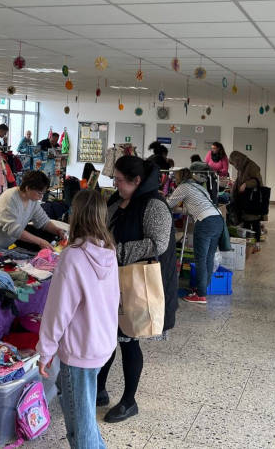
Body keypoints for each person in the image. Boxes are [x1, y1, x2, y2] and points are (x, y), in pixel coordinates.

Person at [97, 156, 176, 424]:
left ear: (136, 180)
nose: (115, 184)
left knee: (129, 341)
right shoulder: (117, 200)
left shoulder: (154, 205)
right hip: (112, 280)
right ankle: (99, 389)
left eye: (120, 180)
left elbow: (158, 244)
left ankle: (129, 402)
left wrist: (116, 252)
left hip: (136, 282)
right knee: (108, 337)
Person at [38, 190, 118, 449]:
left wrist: (45, 350)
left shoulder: (73, 256)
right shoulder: (108, 250)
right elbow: (113, 299)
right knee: (80, 412)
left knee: (81, 426)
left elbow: (58, 310)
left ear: (76, 215)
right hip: (102, 343)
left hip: (80, 350)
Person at [0, 171, 67, 255]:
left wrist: (58, 231)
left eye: (43, 193)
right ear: (28, 188)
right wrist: (40, 242)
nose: (41, 197)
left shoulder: (32, 201)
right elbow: (13, 230)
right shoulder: (10, 197)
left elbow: (43, 221)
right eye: (39, 193)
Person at [168, 168, 223, 304]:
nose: (174, 180)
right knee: (209, 257)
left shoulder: (183, 187)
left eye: (175, 177)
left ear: (179, 177)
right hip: (218, 220)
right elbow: (196, 206)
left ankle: (200, 295)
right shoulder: (199, 187)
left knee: (200, 259)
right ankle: (202, 289)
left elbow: (168, 204)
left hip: (205, 222)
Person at [228, 150, 265, 241]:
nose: (234, 166)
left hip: (253, 200)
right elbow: (239, 180)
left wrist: (246, 184)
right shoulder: (242, 167)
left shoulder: (252, 166)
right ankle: (248, 242)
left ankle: (256, 242)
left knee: (254, 222)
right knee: (246, 222)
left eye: (234, 163)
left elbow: (257, 181)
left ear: (238, 160)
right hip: (245, 199)